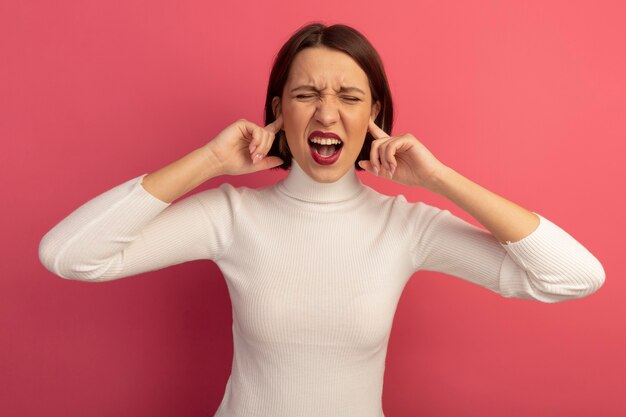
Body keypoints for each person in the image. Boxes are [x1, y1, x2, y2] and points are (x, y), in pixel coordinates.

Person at [38, 22, 605, 417]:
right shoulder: (232, 216)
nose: (327, 111)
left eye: (349, 96)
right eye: (305, 93)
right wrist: (210, 161)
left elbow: (573, 277)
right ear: (280, 111)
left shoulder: (405, 227)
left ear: (374, 114)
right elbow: (69, 256)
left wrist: (438, 179)